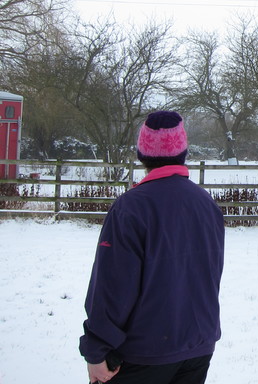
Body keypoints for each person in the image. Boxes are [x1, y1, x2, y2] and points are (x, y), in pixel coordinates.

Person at [80, 111, 225, 384]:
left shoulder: (131, 207)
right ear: (183, 152)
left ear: (142, 155)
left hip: (144, 354)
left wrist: (96, 350)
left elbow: (112, 287)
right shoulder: (206, 204)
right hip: (197, 346)